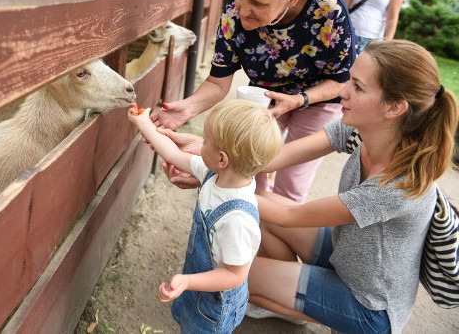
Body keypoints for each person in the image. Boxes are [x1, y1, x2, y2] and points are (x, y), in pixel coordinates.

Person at [154, 39, 458, 332]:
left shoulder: (397, 187)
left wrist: (213, 181)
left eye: (358, 87)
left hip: (368, 304)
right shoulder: (361, 130)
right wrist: (208, 149)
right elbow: (268, 159)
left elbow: (290, 218)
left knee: (235, 277)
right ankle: (291, 292)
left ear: (394, 107)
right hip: (344, 252)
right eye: (350, 79)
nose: (343, 92)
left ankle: (305, 302)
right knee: (260, 198)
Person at [151, 0, 356, 203]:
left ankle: (275, 234)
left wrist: (300, 99)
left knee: (291, 184)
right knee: (245, 172)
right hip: (264, 95)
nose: (243, 11)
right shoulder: (233, 13)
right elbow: (218, 81)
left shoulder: (328, 7)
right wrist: (189, 107)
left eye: (258, 4)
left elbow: (342, 79)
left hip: (317, 99)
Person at [127, 99, 283, 333]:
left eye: (206, 141)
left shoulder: (237, 219)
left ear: (222, 159)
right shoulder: (214, 174)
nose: (201, 143)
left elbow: (234, 275)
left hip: (214, 305)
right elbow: (172, 152)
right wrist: (144, 123)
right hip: (199, 285)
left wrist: (188, 281)